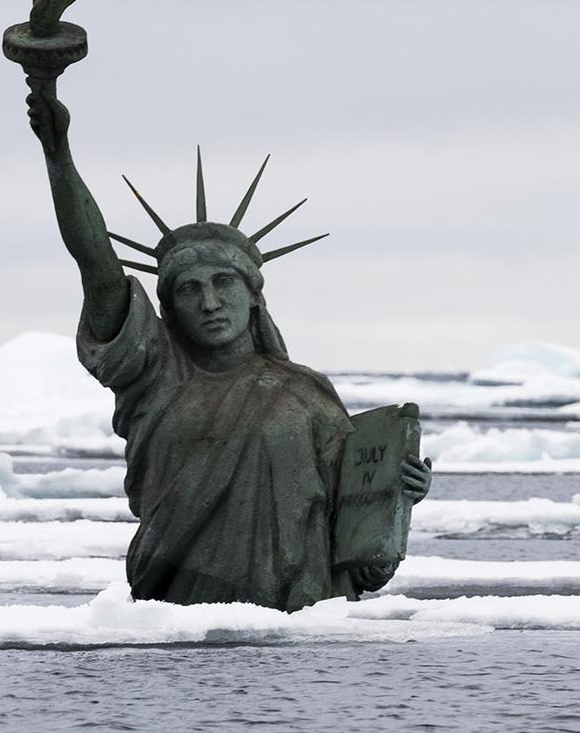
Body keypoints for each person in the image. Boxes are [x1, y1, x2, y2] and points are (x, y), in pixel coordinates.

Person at [25, 83, 429, 610]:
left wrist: (398, 497)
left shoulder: (306, 393)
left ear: (255, 297)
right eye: (190, 290)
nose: (210, 302)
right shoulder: (157, 379)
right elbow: (96, 265)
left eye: (224, 283)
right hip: (181, 621)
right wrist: (58, 156)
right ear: (168, 310)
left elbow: (353, 532)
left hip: (300, 629)